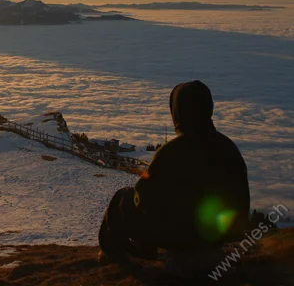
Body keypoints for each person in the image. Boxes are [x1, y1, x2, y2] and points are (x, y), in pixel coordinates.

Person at [98, 80, 250, 264]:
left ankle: (115, 253)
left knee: (123, 199)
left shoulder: (173, 151)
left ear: (178, 111)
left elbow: (144, 199)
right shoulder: (228, 147)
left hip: (178, 237)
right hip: (217, 236)